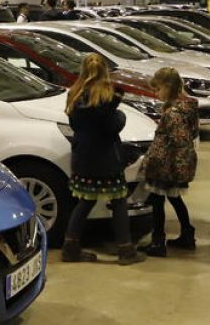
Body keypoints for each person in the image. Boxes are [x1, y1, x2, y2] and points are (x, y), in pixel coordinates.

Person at [60, 54, 145, 265]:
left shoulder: (74, 93)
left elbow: (76, 124)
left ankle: (70, 247)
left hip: (84, 157)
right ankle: (125, 250)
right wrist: (121, 115)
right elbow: (112, 126)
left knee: (85, 202)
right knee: (118, 202)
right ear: (104, 71)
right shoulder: (106, 96)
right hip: (106, 159)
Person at [140, 67, 199, 258]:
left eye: (158, 89)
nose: (156, 94)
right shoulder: (187, 107)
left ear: (168, 86)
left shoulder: (174, 113)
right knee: (174, 198)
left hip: (166, 165)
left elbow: (177, 141)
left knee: (157, 201)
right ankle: (187, 234)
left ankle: (158, 241)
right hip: (175, 164)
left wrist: (160, 162)